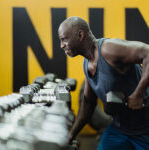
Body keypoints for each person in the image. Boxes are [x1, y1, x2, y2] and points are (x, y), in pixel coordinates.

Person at [58, 16, 149, 150]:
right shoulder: (87, 64)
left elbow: (147, 52)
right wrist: (71, 135)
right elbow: (88, 105)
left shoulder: (109, 49)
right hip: (120, 130)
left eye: (64, 39)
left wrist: (138, 94)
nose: (62, 45)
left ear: (80, 35)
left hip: (145, 129)